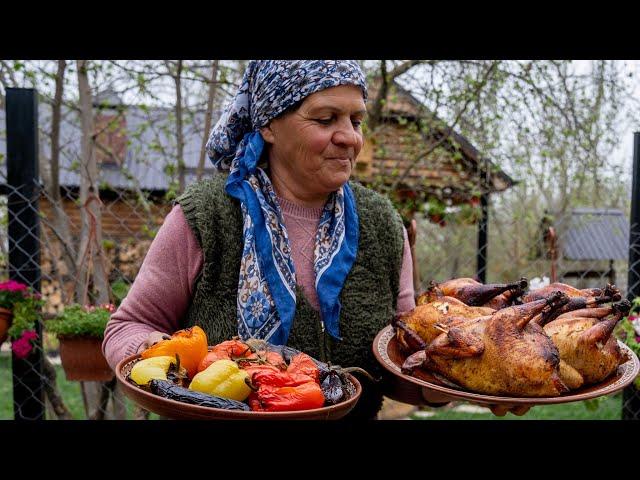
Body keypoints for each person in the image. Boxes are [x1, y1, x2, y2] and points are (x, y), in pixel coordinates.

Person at [103, 60, 528, 419]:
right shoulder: (207, 216)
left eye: (355, 120)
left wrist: (466, 379)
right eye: (326, 119)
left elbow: (403, 362)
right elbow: (127, 327)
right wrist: (171, 366)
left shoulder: (381, 225)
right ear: (269, 124)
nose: (350, 137)